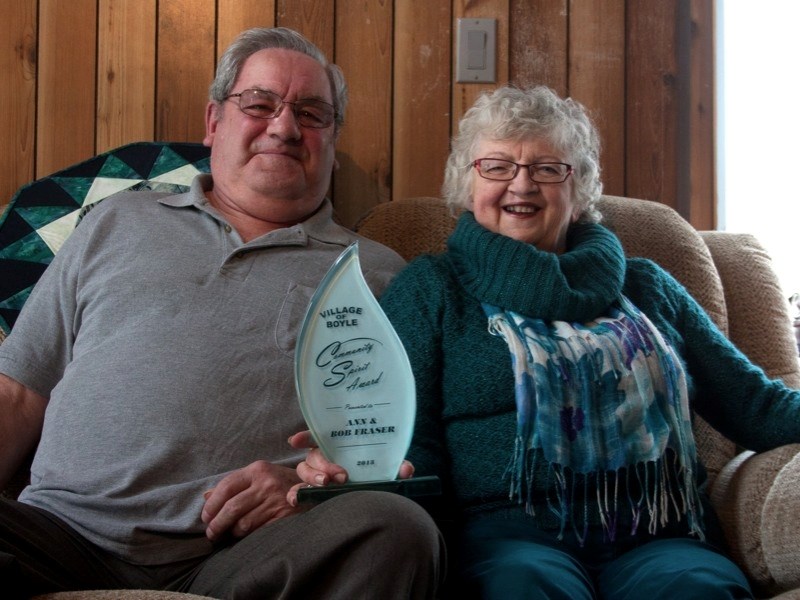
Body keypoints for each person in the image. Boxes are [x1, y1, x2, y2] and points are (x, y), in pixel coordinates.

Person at [294, 85, 800, 599]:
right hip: (505, 539)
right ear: (467, 186)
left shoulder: (648, 286)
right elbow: (408, 438)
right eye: (496, 166)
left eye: (547, 168)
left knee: (698, 590)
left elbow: (757, 405)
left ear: (578, 191)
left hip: (661, 536)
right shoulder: (432, 290)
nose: (522, 184)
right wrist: (366, 468)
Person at [0, 27, 442, 599]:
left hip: (238, 552)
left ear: (332, 139)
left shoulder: (380, 275)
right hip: (58, 533)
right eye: (259, 104)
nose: (284, 128)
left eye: (311, 114)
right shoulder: (116, 221)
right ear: (214, 121)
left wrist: (307, 487)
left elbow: (388, 444)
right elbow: (17, 393)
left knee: (398, 530)